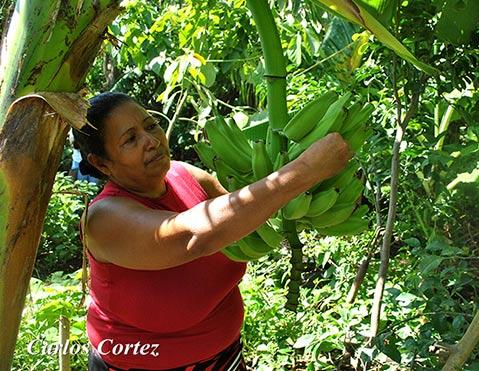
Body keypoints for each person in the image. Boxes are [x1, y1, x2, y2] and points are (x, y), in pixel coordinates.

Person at [74, 92, 352, 371]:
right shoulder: (103, 219)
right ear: (101, 163)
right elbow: (191, 238)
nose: (152, 141)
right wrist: (305, 170)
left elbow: (240, 217)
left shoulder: (184, 175)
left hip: (224, 356)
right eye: (130, 139)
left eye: (150, 126)